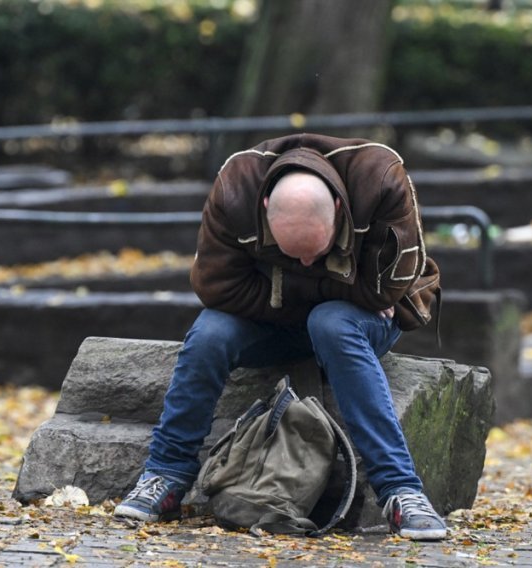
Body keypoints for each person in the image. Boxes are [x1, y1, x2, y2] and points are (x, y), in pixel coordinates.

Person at [114, 133, 446, 540]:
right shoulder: (236, 187)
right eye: (291, 255)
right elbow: (218, 290)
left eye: (316, 251)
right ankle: (165, 475)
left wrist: (282, 286)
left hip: (349, 324)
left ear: (340, 210)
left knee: (332, 323)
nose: (305, 262)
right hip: (291, 320)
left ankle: (401, 492)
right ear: (265, 208)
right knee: (210, 332)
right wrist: (339, 285)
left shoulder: (381, 179)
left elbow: (385, 292)